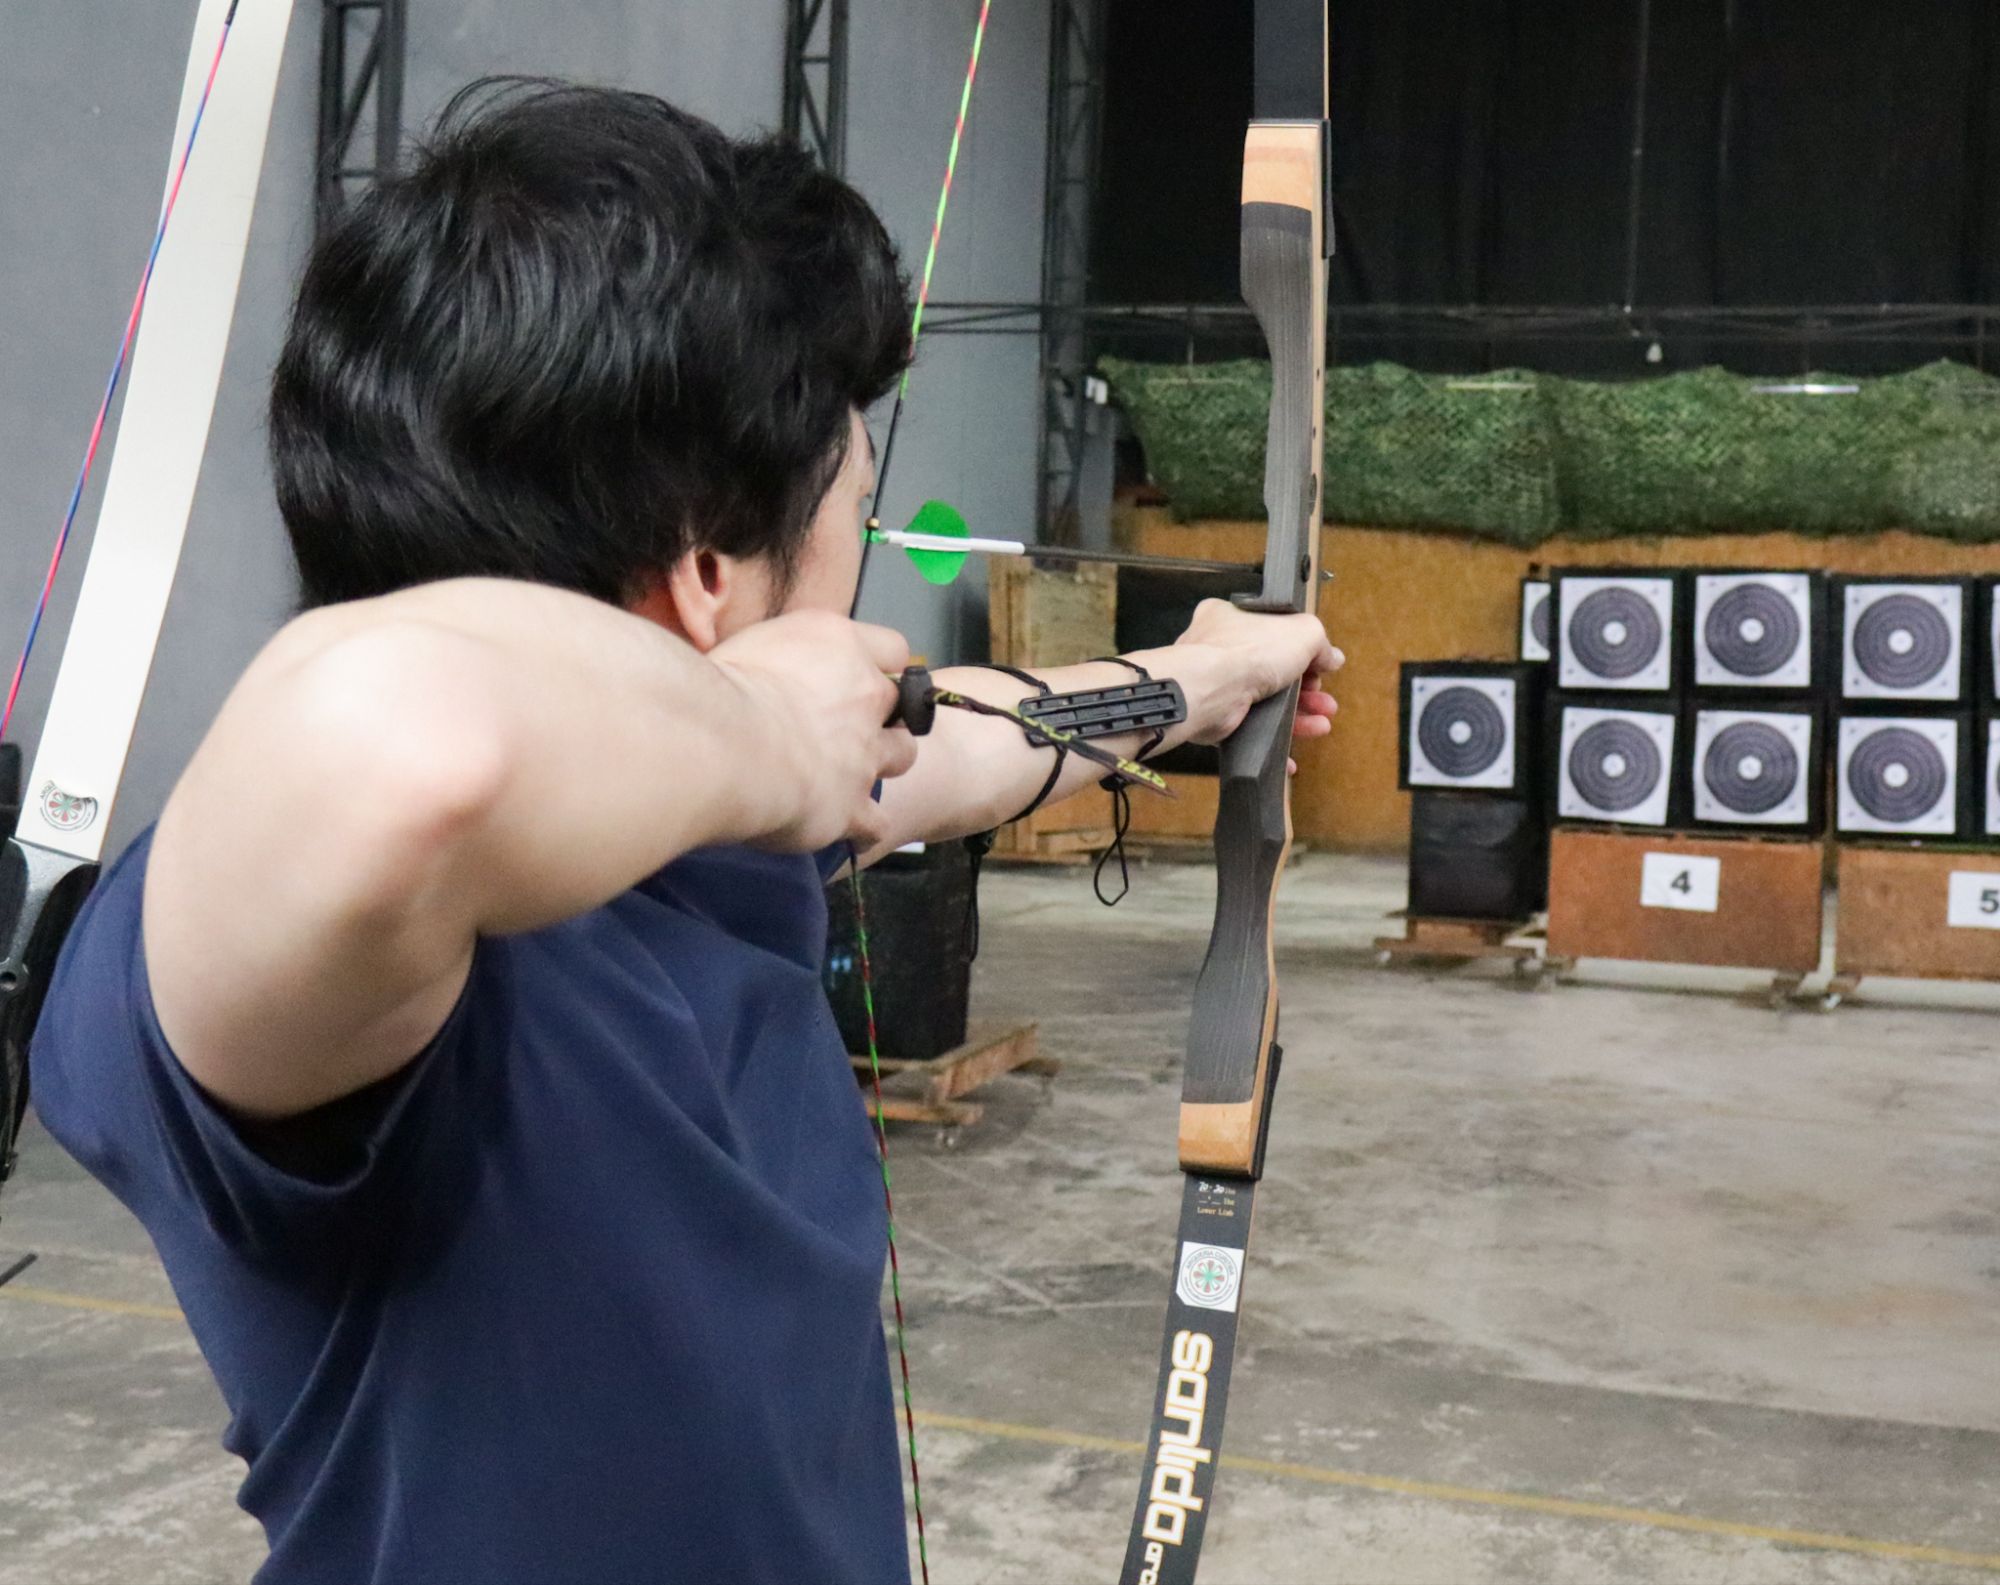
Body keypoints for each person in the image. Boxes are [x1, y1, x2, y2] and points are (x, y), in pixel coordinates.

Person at [30, 80, 1339, 1585]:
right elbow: (389, 734)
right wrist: (769, 731)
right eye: (855, 504)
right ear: (710, 571)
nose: (864, 579)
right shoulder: (298, 957)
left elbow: (963, 738)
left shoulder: (712, 838)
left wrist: (1197, 678)